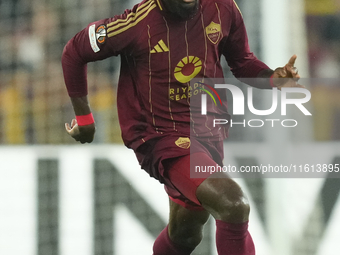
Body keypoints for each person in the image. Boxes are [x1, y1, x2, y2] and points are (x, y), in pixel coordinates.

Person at [62, 0, 302, 254]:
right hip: (159, 137)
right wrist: (85, 120)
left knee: (185, 233)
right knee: (232, 203)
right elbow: (74, 52)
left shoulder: (223, 8)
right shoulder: (136, 23)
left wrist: (273, 78)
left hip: (207, 134)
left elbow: (242, 61)